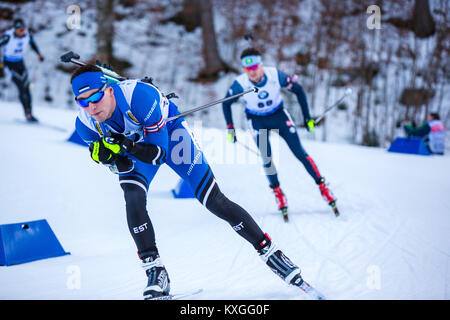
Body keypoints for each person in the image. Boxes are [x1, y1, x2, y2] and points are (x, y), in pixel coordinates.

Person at [70, 64, 325, 300]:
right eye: (83, 101)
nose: (91, 106)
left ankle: (271, 254)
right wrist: (109, 158)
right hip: (136, 146)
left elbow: (158, 154)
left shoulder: (140, 97)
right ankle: (156, 272)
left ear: (110, 89)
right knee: (133, 197)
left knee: (213, 199)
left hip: (169, 133)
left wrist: (126, 144)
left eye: (95, 97)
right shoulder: (85, 124)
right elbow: (119, 165)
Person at [222, 48, 337, 219]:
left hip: (278, 116)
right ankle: (278, 193)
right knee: (267, 159)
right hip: (257, 121)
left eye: (254, 67)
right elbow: (226, 103)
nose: (252, 72)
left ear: (260, 65)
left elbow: (298, 90)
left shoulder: (275, 75)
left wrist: (307, 118)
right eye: (247, 69)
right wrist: (230, 127)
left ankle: (322, 186)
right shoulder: (241, 83)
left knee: (300, 153)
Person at [0, 18, 44, 122]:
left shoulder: (27, 34)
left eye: (23, 29)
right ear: (14, 29)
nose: (22, 31)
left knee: (26, 88)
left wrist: (39, 54)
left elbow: (32, 44)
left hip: (20, 63)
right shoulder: (8, 36)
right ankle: (27, 113)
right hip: (9, 64)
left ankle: (29, 113)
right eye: (19, 30)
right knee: (21, 87)